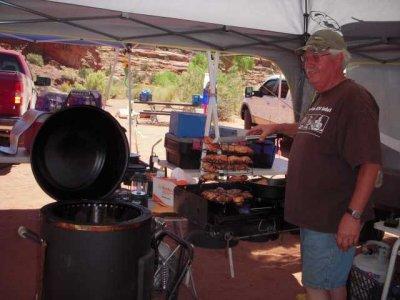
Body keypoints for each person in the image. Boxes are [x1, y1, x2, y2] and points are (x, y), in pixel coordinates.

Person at [248, 29, 381, 300]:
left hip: (331, 217)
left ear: (339, 59)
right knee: (326, 283)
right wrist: (278, 126)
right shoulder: (324, 96)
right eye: (306, 57)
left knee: (320, 286)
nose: (309, 63)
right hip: (314, 216)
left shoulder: (354, 98)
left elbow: (370, 164)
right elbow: (311, 128)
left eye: (317, 56)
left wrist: (352, 217)